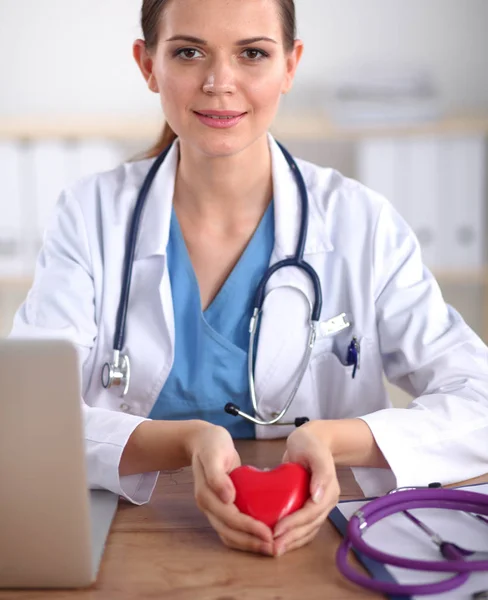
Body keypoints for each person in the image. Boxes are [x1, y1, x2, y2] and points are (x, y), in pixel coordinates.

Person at [9, 0, 488, 560]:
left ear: (289, 65)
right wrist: (188, 441)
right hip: (133, 536)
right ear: (147, 66)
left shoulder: (363, 224)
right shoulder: (90, 215)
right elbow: (25, 417)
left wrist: (332, 439)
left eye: (253, 54)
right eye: (189, 52)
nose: (219, 83)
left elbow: (479, 402)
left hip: (318, 537)